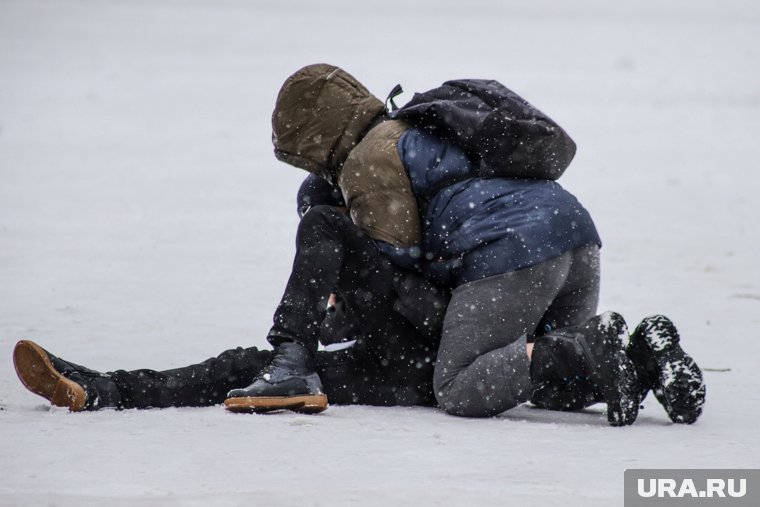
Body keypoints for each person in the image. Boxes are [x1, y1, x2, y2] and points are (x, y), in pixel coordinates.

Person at [226, 63, 705, 426]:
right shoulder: (417, 128)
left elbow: (401, 267)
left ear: (315, 139)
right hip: (574, 234)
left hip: (512, 251)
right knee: (548, 380)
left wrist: (342, 308)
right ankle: (647, 355)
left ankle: (593, 343)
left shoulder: (369, 161)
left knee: (461, 386)